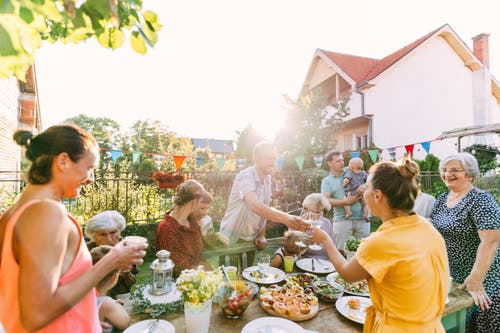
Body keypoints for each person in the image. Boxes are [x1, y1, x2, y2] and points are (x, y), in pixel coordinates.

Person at [0, 124, 146, 333]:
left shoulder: (12, 214)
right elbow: (36, 315)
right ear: (63, 161)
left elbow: (39, 290)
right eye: (90, 168)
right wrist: (111, 260)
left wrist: (86, 312)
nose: (91, 179)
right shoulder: (47, 214)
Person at [312, 158, 450, 332]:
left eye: (366, 188)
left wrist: (325, 239)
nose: (363, 194)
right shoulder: (427, 228)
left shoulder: (382, 241)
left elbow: (348, 274)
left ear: (377, 195)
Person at [430, 152, 500, 332]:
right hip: (453, 275)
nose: (447, 174)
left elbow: (491, 242)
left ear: (469, 174)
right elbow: (434, 226)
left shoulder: (481, 200)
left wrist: (476, 278)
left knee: (481, 324)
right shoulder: (442, 199)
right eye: (444, 170)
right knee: (456, 325)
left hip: (482, 276)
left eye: (455, 170)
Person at [219, 141, 309, 262]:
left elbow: (264, 207)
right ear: (255, 158)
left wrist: (261, 235)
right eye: (268, 159)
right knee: (230, 277)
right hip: (232, 237)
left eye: (274, 158)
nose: (272, 162)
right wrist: (287, 219)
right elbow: (255, 205)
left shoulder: (267, 179)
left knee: (248, 275)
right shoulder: (245, 176)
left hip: (251, 238)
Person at [155, 179, 211, 277]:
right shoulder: (167, 228)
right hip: (178, 284)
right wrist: (206, 274)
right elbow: (177, 268)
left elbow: (200, 248)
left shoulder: (192, 222)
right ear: (194, 201)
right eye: (201, 202)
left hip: (199, 277)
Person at [321, 150, 369, 250]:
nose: (342, 163)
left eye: (342, 160)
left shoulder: (352, 169)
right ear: (329, 163)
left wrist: (365, 186)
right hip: (342, 221)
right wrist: (346, 202)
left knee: (364, 254)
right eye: (338, 161)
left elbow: (371, 180)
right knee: (342, 253)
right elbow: (326, 201)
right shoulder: (327, 181)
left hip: (363, 220)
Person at [85, 210, 139, 296]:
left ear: (120, 231)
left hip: (120, 295)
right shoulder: (85, 250)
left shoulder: (127, 248)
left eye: (113, 232)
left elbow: (129, 283)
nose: (109, 239)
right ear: (93, 236)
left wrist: (125, 272)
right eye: (102, 234)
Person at [90, 245, 130, 333]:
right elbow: (124, 323)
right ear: (114, 277)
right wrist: (115, 306)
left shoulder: (78, 296)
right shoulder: (106, 304)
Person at [298, 193, 336, 261]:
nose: (318, 216)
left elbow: (332, 246)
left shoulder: (326, 222)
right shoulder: (300, 221)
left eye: (320, 212)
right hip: (304, 261)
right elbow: (292, 246)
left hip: (324, 263)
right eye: (313, 212)